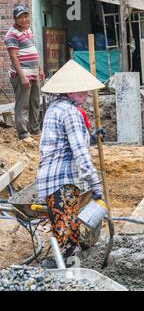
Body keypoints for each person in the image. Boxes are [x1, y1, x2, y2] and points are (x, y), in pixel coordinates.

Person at [36, 59, 104, 261]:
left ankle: (64, 268)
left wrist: (90, 138)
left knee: (65, 233)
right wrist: (95, 184)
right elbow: (80, 153)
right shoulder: (70, 112)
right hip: (62, 181)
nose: (83, 92)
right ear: (67, 92)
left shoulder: (55, 108)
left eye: (84, 88)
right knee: (67, 239)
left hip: (51, 180)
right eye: (78, 89)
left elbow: (63, 143)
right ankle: (61, 275)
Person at [3, 5, 44, 143]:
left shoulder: (28, 30)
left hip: (33, 73)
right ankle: (23, 134)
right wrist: (22, 77)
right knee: (23, 104)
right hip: (22, 75)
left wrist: (39, 68)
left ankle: (35, 129)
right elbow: (14, 57)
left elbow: (32, 51)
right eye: (21, 17)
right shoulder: (11, 35)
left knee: (35, 102)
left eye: (26, 16)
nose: (25, 19)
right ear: (15, 19)